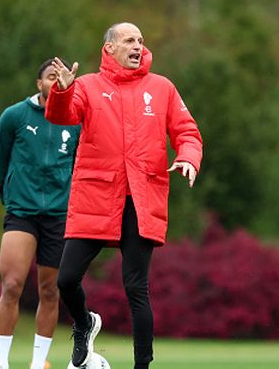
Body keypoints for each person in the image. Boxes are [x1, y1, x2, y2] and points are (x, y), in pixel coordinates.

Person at [45, 22, 203, 369]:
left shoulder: (161, 87)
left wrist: (188, 157)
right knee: (66, 279)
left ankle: (142, 366)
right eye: (129, 40)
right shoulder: (86, 85)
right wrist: (62, 92)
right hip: (96, 197)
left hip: (142, 199)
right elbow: (61, 117)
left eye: (141, 41)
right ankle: (84, 325)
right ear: (110, 48)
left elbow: (187, 131)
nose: (137, 46)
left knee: (136, 289)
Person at [0, 58, 81, 369]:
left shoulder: (76, 121)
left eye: (62, 77)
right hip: (22, 212)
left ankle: (38, 363)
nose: (56, 81)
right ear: (38, 83)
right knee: (12, 284)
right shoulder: (14, 116)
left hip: (59, 215)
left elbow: (81, 165)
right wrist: (10, 194)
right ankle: (1, 363)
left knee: (50, 290)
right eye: (50, 77)